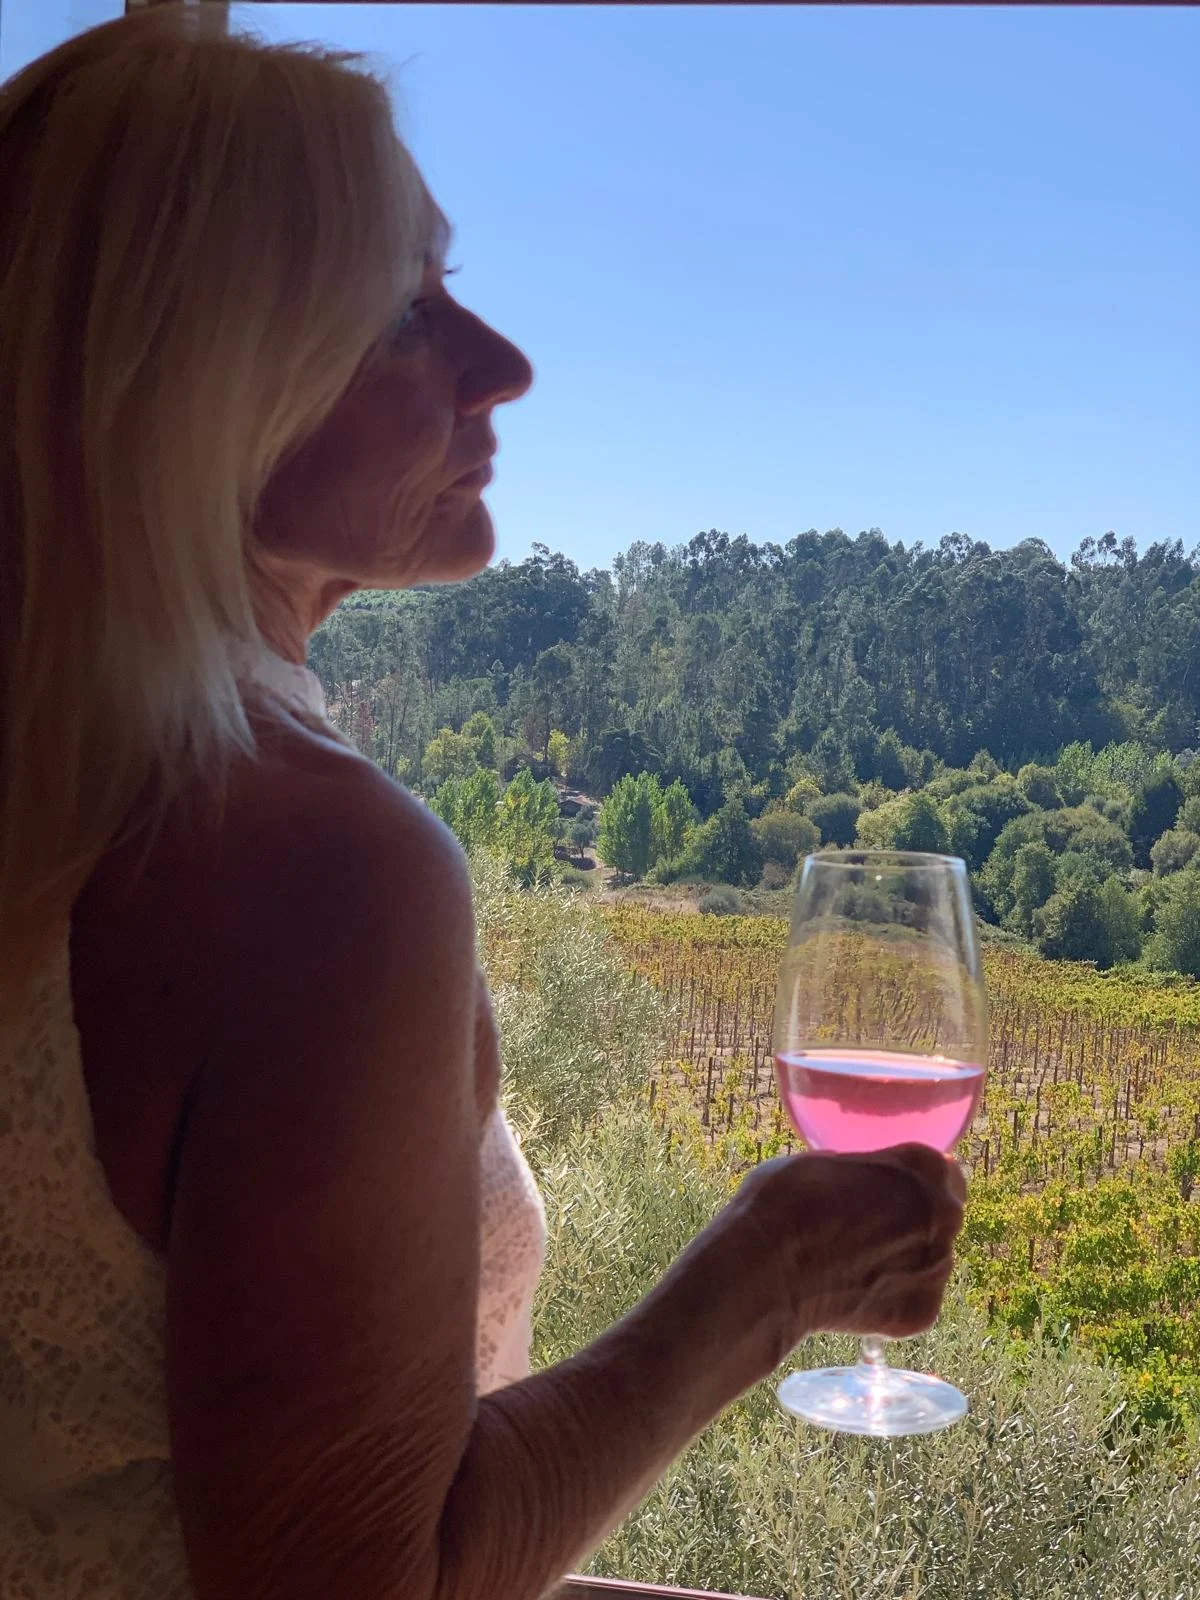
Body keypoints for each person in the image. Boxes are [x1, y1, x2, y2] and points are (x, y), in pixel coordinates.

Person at [0, 13, 966, 1599]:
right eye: (401, 309)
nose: (501, 362)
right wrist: (770, 1275)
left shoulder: (67, 776)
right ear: (194, 379)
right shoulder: (313, 870)